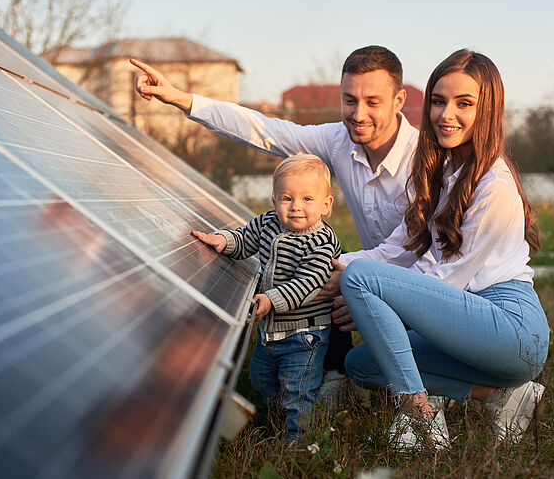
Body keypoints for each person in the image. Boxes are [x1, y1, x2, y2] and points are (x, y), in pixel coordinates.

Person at [131, 46, 418, 396]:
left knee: (330, 271)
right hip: (372, 273)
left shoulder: (424, 158)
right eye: (349, 100)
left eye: (373, 101)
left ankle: (429, 379)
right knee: (321, 273)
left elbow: (416, 249)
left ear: (399, 100)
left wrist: (352, 277)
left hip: (434, 283)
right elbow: (264, 130)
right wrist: (182, 99)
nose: (358, 114)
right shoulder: (338, 141)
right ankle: (332, 372)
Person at [331, 49, 549, 449]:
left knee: (363, 282)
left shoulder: (494, 186)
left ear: (488, 110)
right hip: (466, 321)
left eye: (464, 103)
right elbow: (392, 251)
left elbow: (446, 281)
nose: (446, 114)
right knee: (361, 364)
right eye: (438, 100)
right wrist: (328, 269)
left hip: (510, 328)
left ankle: (419, 416)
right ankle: (502, 396)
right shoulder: (445, 174)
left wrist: (362, 291)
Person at [191, 154, 341, 440]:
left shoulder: (322, 241)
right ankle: (277, 418)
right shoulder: (268, 222)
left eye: (307, 199)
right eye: (287, 198)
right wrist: (224, 240)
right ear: (274, 201)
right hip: (269, 332)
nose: (296, 207)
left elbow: (309, 282)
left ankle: (297, 441)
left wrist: (271, 299)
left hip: (304, 335)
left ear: (326, 204)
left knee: (297, 390)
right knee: (261, 378)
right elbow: (246, 239)